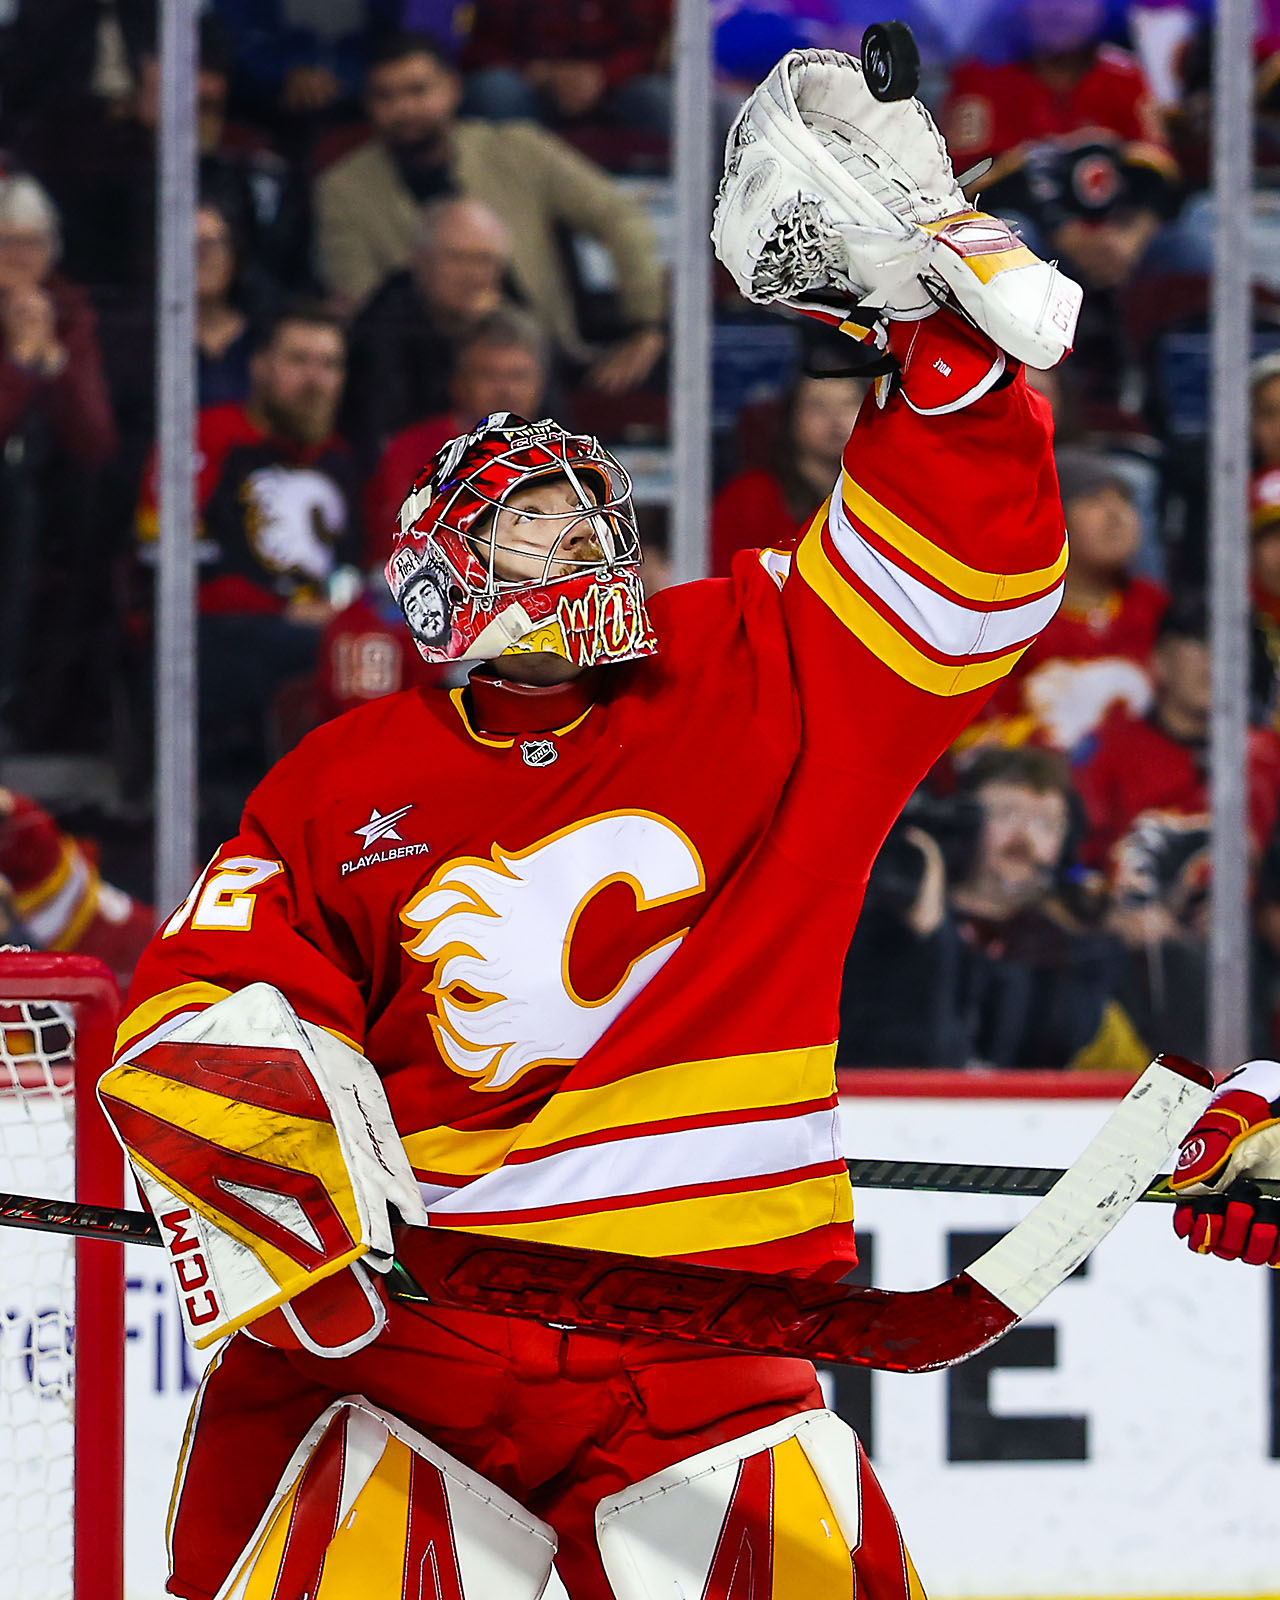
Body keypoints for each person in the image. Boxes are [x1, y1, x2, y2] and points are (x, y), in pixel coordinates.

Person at [100, 51, 1079, 1598]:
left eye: (591, 510)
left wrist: (937, 348)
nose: (581, 535)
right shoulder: (345, 775)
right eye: (530, 520)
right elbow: (203, 1004)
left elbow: (962, 584)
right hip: (417, 1337)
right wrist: (266, 1153)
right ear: (440, 581)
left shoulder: (749, 655)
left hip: (703, 1340)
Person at [313, 29, 666, 385]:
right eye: (385, 96)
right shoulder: (342, 189)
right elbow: (362, 302)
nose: (403, 109)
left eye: (418, 91)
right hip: (423, 374)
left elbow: (621, 217)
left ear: (452, 89)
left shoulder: (520, 149)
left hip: (547, 357)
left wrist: (645, 326)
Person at [136, 303, 359, 842]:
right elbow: (163, 558)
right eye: (299, 361)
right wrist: (285, 611)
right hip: (205, 637)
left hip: (315, 635)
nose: (315, 380)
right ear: (259, 367)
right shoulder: (205, 436)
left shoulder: (343, 459)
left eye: (329, 365)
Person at [839, 748, 1135, 1071]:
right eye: (1006, 813)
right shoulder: (891, 923)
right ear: (962, 818)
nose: (1023, 836)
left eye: (1045, 823)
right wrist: (927, 940)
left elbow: (1123, 1076)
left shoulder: (1074, 953)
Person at [1076, 598, 1280, 1058]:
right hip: (1130, 957)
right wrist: (1111, 912)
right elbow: (1066, 869)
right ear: (1160, 660)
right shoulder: (1106, 751)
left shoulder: (1270, 758)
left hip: (1246, 964)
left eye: (1232, 649)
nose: (1217, 661)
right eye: (1199, 646)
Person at [965, 449, 1166, 758]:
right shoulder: (1011, 616)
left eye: (1124, 500)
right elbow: (975, 744)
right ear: (1051, 516)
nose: (1116, 515)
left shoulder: (1155, 607)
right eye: (1093, 500)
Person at [362, 305, 550, 567]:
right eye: (489, 375)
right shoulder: (412, 452)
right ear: (458, 383)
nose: (505, 390)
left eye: (518, 376)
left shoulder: (560, 454)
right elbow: (398, 553)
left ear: (540, 385)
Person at [340, 196, 521, 464]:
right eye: (457, 258)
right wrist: (463, 339)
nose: (472, 274)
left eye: (484, 260)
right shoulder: (380, 329)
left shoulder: (514, 321)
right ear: (420, 261)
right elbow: (387, 439)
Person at [711, 374, 864, 576]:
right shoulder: (751, 496)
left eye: (848, 404)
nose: (836, 418)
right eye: (818, 406)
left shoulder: (883, 494)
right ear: (791, 418)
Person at [462, 0, 671, 135]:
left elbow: (653, 44)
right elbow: (479, 47)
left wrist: (604, 76)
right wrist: (540, 74)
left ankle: (677, 196)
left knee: (658, 96)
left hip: (614, 87)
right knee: (495, 89)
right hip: (532, 83)